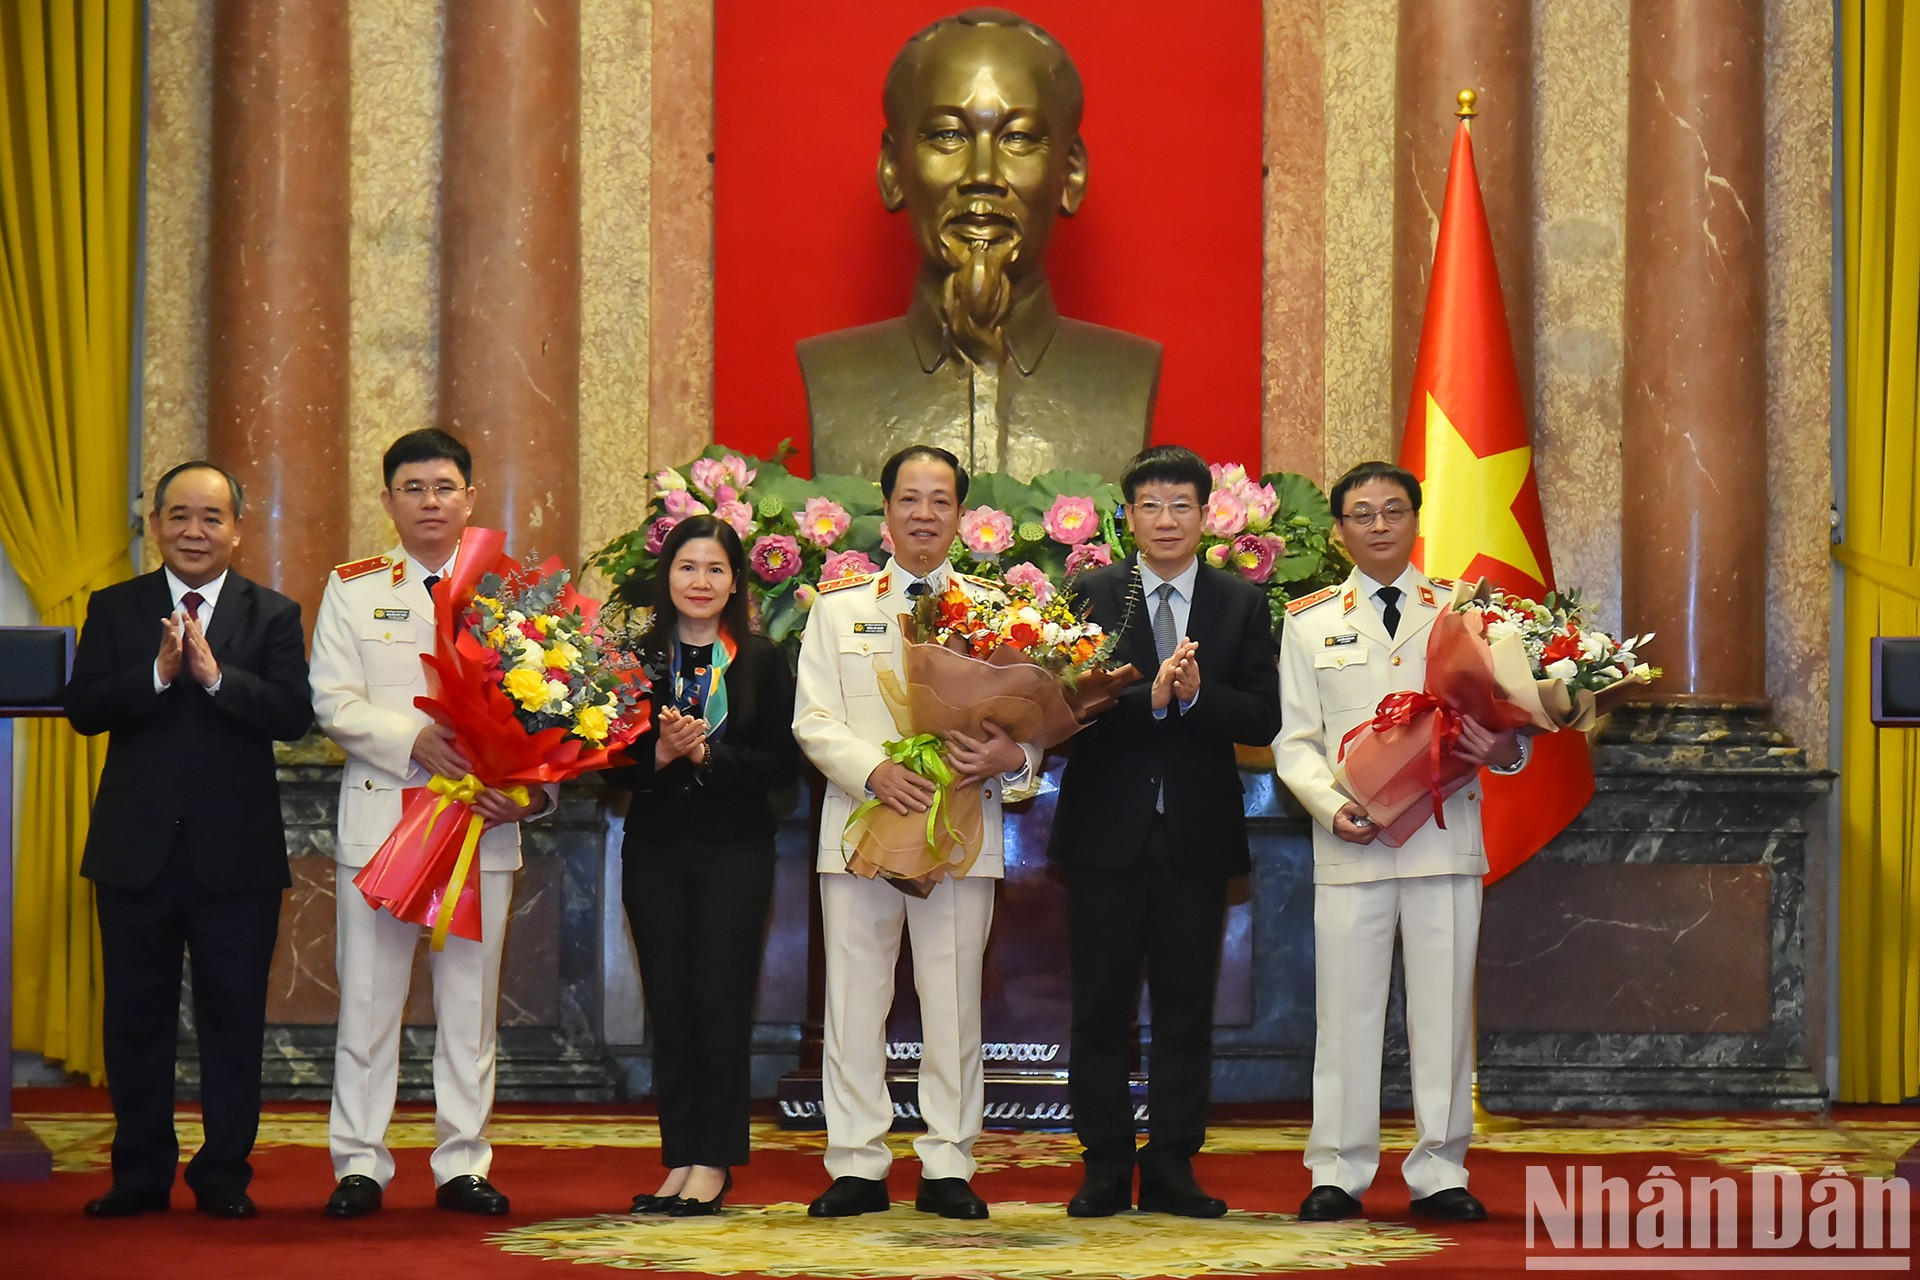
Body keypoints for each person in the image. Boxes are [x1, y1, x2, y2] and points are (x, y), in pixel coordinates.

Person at [1272, 460, 1530, 1224]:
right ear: (1339, 531)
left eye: (1393, 509)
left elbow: (1509, 725)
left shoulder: (1463, 610)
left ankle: (1441, 1170)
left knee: (1444, 1013)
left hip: (1443, 841)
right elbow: (1295, 742)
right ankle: (1337, 1170)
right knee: (1344, 1015)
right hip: (1353, 841)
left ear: (1417, 520)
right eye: (1363, 513)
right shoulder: (1308, 619)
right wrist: (1331, 808)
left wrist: (1504, 749)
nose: (1379, 524)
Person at [791, 444, 1039, 1220]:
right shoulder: (838, 609)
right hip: (862, 828)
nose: (924, 514)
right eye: (909, 499)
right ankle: (856, 1163)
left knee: (953, 1003)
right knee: (854, 1002)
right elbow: (814, 719)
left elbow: (1032, 725)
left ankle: (948, 1163)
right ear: (886, 511)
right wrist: (872, 772)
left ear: (961, 515)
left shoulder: (999, 612)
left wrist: (1013, 759)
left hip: (959, 831)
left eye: (940, 500)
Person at [309, 428, 550, 1219]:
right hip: (387, 821)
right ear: (388, 501)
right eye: (413, 488)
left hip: (480, 826)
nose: (430, 502)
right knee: (368, 1003)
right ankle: (359, 1163)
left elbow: (556, 714)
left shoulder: (513, 594)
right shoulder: (354, 587)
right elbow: (332, 700)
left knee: (470, 1010)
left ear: (470, 497)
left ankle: (462, 1165)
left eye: (445, 487)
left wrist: (529, 794)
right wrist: (412, 738)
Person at [65, 461, 312, 1218]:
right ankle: (139, 1176)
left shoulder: (272, 613)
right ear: (155, 524)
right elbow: (84, 708)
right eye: (179, 515)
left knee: (232, 1023)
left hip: (236, 858)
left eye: (211, 517)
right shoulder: (116, 607)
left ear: (237, 528)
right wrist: (155, 672)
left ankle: (222, 1177)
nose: (194, 531)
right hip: (134, 854)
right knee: (134, 1022)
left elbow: (292, 715)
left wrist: (214, 678)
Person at [1048, 445, 1281, 1219]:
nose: (1166, 519)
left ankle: (1174, 1165)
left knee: (1185, 1010)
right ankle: (1105, 1166)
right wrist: (1142, 699)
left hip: (1196, 834)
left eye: (1182, 505)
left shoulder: (1239, 604)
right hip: (1105, 833)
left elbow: (1265, 717)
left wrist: (1199, 696)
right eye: (1150, 505)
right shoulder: (1090, 595)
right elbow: (1058, 709)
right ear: (1128, 517)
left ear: (1207, 515)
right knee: (1100, 1009)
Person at [800, 8, 1159, 481]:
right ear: (893, 169)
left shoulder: (1128, 377)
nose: (983, 175)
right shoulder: (833, 375)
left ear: (1071, 173)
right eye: (948, 136)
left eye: (1018, 138)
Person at [605, 515, 800, 1218]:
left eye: (715, 569)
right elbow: (605, 762)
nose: (700, 581)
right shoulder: (634, 660)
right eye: (687, 567)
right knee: (671, 1003)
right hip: (654, 848)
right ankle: (680, 1157)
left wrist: (707, 755)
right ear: (668, 577)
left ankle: (714, 1161)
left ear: (736, 582)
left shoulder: (761, 660)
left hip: (734, 851)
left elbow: (782, 766)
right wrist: (657, 757)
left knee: (720, 1000)